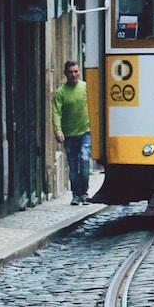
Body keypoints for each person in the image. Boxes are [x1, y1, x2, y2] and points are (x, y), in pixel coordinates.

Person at [51, 60, 92, 205]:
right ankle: (76, 194)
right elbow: (56, 112)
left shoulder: (86, 88)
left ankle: (85, 193)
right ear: (65, 74)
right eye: (71, 72)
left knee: (85, 159)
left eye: (76, 71)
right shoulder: (60, 92)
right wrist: (58, 130)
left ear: (79, 72)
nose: (74, 74)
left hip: (86, 131)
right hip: (69, 134)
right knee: (73, 165)